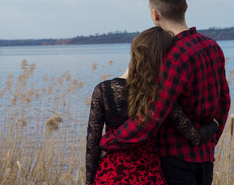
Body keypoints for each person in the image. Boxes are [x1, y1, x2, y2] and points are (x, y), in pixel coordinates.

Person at [99, 0, 231, 185]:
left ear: (155, 14)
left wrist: (108, 141)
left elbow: (151, 117)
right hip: (205, 158)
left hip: (175, 161)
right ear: (186, 7)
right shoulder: (213, 46)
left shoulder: (172, 57)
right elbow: (224, 103)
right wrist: (210, 141)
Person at [86, 27, 220, 185]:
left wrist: (89, 182)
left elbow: (92, 147)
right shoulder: (162, 94)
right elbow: (194, 136)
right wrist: (214, 125)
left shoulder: (103, 90)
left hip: (110, 176)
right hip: (149, 176)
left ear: (134, 44)